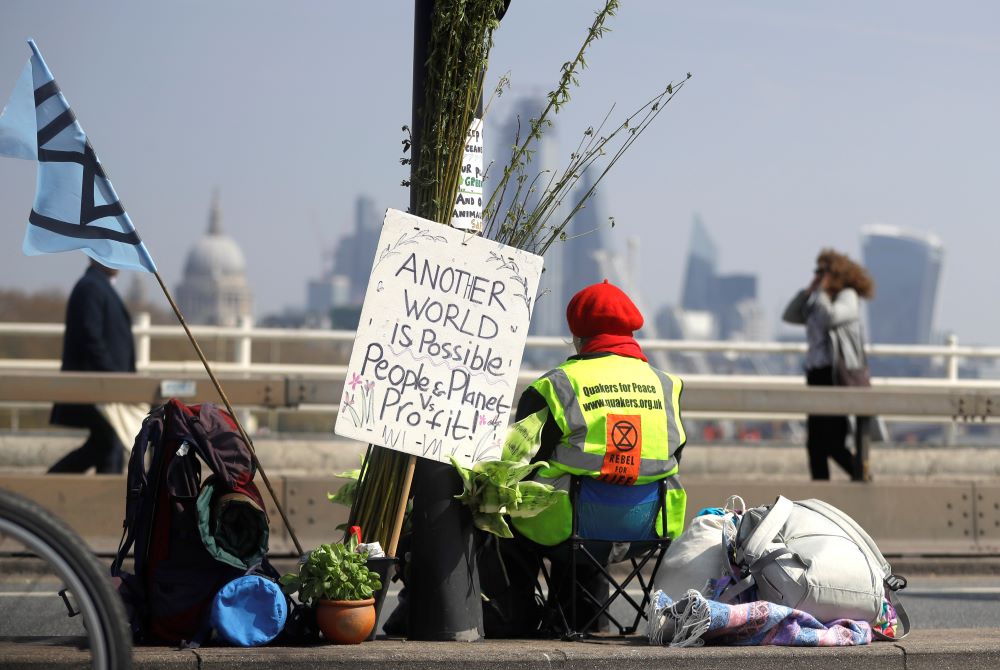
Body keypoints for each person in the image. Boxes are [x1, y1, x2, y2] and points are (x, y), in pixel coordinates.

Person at [481, 279, 687, 636]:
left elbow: (514, 466)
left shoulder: (556, 385)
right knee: (586, 503)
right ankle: (588, 617)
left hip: (567, 528)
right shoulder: (666, 385)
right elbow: (674, 454)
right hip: (645, 527)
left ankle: (513, 618)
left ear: (577, 335)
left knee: (499, 513)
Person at [782, 248, 875, 480]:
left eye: (825, 271)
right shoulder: (817, 299)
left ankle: (863, 478)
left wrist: (822, 292)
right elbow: (791, 315)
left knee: (833, 442)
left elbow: (832, 317)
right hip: (816, 375)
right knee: (815, 445)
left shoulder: (848, 296)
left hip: (836, 377)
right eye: (818, 270)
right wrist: (808, 290)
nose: (820, 275)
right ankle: (819, 495)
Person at [48, 259, 136, 474]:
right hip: (97, 386)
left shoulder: (96, 286)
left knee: (105, 444)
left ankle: (54, 487)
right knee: (109, 443)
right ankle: (56, 487)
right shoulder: (92, 287)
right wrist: (115, 377)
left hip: (103, 385)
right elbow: (91, 338)